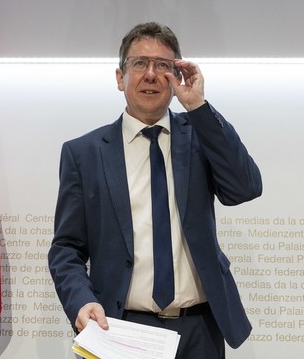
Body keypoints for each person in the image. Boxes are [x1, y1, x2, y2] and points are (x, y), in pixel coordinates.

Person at [48, 22, 262, 358]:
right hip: (119, 328)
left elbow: (245, 188)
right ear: (120, 78)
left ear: (176, 76)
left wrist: (198, 107)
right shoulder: (83, 153)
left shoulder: (200, 135)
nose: (151, 74)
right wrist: (81, 299)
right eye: (139, 64)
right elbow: (67, 247)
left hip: (199, 330)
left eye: (163, 65)